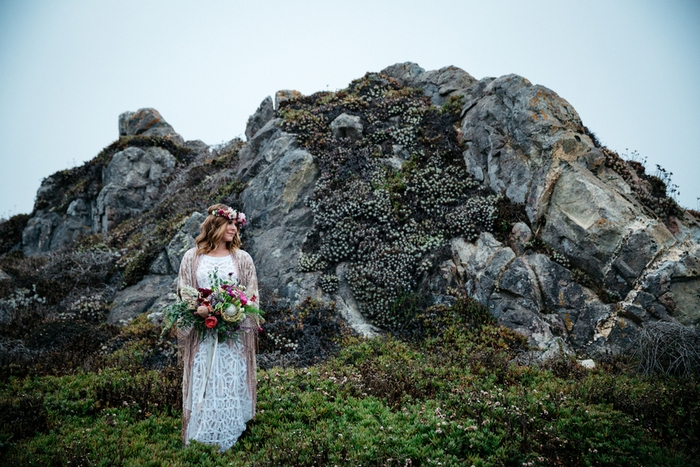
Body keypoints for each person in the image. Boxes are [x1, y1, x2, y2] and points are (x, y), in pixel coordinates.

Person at [176, 203, 260, 451]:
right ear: (215, 225)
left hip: (232, 337)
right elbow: (184, 291)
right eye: (229, 223)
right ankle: (202, 438)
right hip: (202, 335)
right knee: (205, 382)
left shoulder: (242, 259)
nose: (234, 228)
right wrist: (200, 311)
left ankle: (229, 437)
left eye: (236, 224)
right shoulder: (193, 258)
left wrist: (234, 314)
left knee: (229, 381)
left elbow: (252, 295)